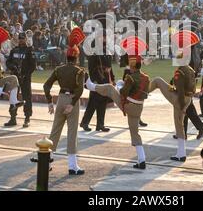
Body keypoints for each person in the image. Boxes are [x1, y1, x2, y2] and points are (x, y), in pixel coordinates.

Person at [87, 36, 150, 169]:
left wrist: (120, 86)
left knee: (110, 89)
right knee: (135, 132)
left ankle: (92, 86)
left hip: (129, 106)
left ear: (133, 65)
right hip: (139, 108)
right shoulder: (146, 78)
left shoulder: (131, 77)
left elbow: (122, 93)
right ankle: (141, 159)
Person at [148, 30, 198, 162]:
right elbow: (192, 88)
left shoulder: (180, 72)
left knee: (158, 80)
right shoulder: (190, 70)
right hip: (188, 98)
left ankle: (142, 93)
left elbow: (180, 91)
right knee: (179, 125)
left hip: (180, 99)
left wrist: (181, 106)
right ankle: (181, 153)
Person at [44, 28, 87, 175]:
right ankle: (72, 166)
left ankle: (47, 161)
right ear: (76, 57)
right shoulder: (80, 71)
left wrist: (50, 101)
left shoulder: (58, 69)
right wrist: (72, 103)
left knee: (55, 131)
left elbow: (46, 85)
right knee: (72, 133)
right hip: (71, 101)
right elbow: (80, 90)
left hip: (60, 99)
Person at [80, 37, 115, 132]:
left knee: (103, 102)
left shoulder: (107, 51)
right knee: (93, 102)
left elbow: (109, 67)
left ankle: (100, 124)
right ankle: (85, 122)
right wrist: (94, 80)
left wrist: (112, 78)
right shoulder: (94, 52)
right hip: (97, 80)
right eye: (103, 38)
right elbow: (91, 67)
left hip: (106, 79)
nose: (105, 39)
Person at [5, 32, 36, 128]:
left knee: (27, 98)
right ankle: (13, 118)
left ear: (26, 39)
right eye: (20, 38)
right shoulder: (14, 50)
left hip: (25, 78)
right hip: (15, 77)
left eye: (23, 38)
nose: (21, 40)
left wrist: (26, 75)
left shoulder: (29, 51)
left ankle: (27, 118)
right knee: (13, 97)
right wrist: (12, 67)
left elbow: (33, 65)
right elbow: (8, 62)